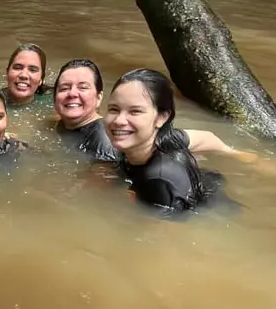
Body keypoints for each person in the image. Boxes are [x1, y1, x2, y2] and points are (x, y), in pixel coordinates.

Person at [103, 68, 254, 212]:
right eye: (114, 109)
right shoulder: (164, 137)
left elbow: (168, 233)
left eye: (135, 111)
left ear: (162, 118)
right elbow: (207, 137)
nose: (119, 120)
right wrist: (236, 154)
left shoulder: (159, 181)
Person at [51, 59, 119, 163]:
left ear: (99, 98)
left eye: (83, 87)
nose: (72, 93)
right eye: (64, 88)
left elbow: (103, 177)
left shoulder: (104, 141)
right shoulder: (59, 122)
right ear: (55, 98)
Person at [4, 43, 51, 108]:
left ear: (41, 79)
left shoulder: (54, 102)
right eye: (17, 68)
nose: (23, 75)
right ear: (7, 73)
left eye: (33, 70)